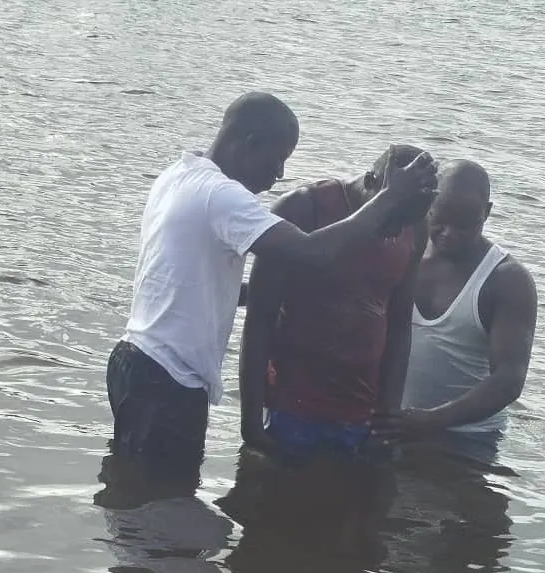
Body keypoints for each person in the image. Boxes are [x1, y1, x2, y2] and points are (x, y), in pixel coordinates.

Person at [105, 91, 437, 478]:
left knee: (136, 492)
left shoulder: (180, 175)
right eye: (278, 159)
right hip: (165, 380)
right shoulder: (221, 196)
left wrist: (285, 295)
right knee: (162, 501)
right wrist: (389, 199)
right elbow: (313, 251)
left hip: (137, 362)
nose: (279, 173)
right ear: (250, 144)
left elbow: (192, 284)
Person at [239, 146, 429, 459]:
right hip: (289, 407)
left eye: (406, 223)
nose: (395, 231)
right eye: (391, 216)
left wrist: (387, 419)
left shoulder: (415, 225)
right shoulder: (303, 209)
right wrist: (251, 422)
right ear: (371, 182)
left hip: (361, 414)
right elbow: (260, 316)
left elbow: (399, 325)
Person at [370, 159, 537, 459]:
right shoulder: (400, 249)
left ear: (487, 213)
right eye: (441, 220)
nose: (449, 233)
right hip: (391, 426)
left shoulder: (507, 280)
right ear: (429, 203)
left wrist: (433, 421)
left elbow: (509, 379)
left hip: (469, 440)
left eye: (465, 226)